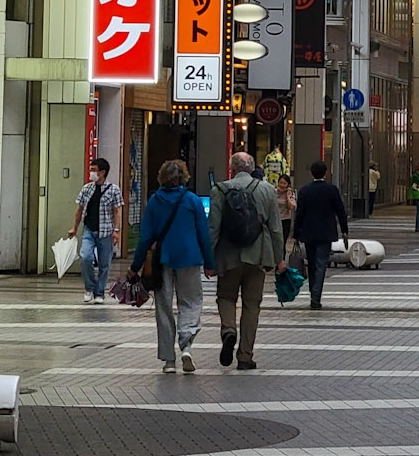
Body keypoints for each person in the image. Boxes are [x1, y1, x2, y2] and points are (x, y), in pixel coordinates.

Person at [132, 159, 213, 373]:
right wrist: (209, 263)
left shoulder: (154, 201)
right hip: (189, 257)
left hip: (163, 260)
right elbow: (203, 234)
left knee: (163, 307)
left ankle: (169, 360)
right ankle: (186, 344)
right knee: (191, 302)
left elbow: (145, 237)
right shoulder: (192, 200)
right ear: (183, 177)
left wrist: (135, 265)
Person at [209, 151, 287, 371]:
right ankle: (245, 356)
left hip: (228, 255)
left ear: (232, 168)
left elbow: (213, 228)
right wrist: (279, 259)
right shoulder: (267, 190)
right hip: (258, 255)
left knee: (226, 297)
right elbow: (275, 228)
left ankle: (228, 329)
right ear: (252, 168)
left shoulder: (219, 190)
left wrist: (208, 259)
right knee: (252, 305)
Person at [294, 161, 351, 309]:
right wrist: (345, 230)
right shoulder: (332, 190)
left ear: (312, 173)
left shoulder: (305, 190)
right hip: (326, 232)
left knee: (312, 264)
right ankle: (316, 296)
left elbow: (299, 214)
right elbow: (340, 211)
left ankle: (313, 292)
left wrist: (296, 233)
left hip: (308, 232)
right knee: (321, 264)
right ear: (325, 173)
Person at [71, 157, 123, 304]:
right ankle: (89, 288)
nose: (91, 172)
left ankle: (99, 293)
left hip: (106, 231)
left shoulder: (114, 190)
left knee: (104, 264)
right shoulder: (87, 188)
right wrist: (75, 227)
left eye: (94, 170)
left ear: (102, 172)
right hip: (89, 229)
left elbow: (117, 211)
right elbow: (79, 209)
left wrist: (116, 230)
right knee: (86, 257)